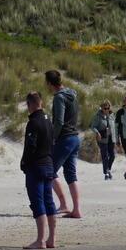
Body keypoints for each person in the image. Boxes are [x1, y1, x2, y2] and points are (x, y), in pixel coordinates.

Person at [21, 92, 59, 250]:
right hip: (49, 164)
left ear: (29, 104)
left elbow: (31, 146)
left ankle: (40, 240)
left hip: (36, 167)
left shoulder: (33, 122)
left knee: (38, 203)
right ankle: (51, 239)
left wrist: (24, 163)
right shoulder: (48, 120)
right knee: (49, 202)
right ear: (41, 102)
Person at [47, 69, 83, 219]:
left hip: (65, 138)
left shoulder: (59, 98)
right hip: (75, 138)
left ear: (49, 83)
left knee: (49, 171)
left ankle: (63, 204)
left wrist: (52, 138)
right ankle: (76, 210)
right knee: (71, 175)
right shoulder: (72, 93)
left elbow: (59, 121)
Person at [93, 102, 117, 180]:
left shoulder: (112, 115)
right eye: (105, 108)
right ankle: (106, 173)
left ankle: (108, 169)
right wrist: (97, 133)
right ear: (102, 108)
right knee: (105, 156)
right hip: (102, 139)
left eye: (108, 108)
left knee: (112, 156)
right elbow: (93, 127)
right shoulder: (98, 116)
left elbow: (115, 127)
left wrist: (116, 138)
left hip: (111, 138)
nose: (106, 110)